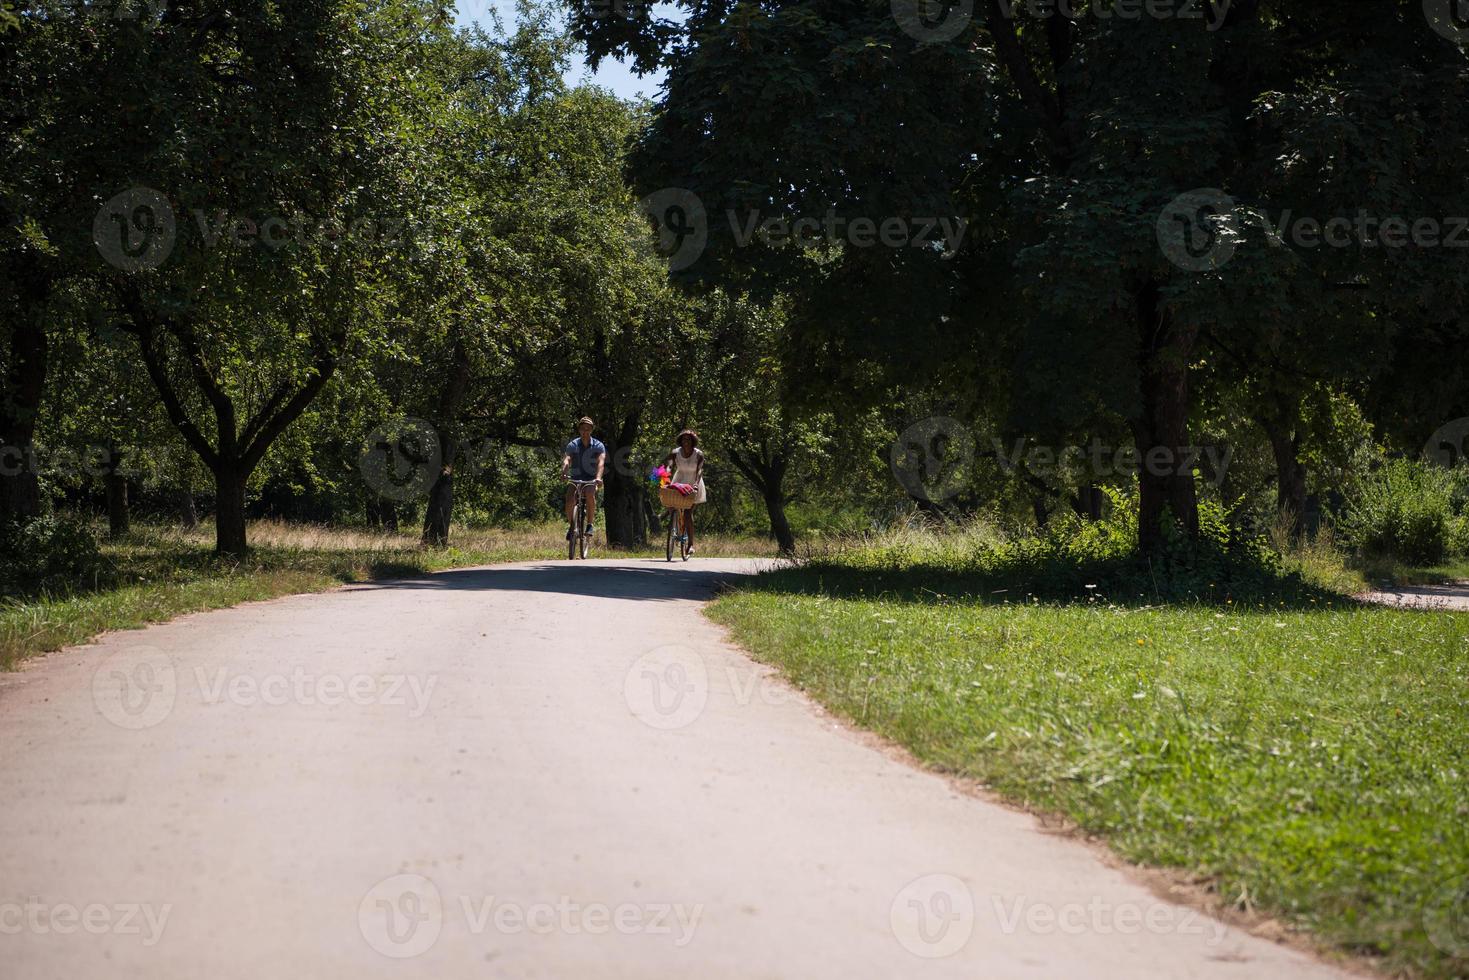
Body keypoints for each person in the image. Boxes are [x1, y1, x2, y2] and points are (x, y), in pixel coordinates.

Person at [561, 417, 605, 541]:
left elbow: (600, 463)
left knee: (590, 494)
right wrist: (564, 471)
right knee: (569, 500)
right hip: (576, 478)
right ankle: (572, 526)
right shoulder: (573, 444)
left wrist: (598, 478)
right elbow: (567, 459)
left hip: (591, 479)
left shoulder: (598, 445)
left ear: (591, 430)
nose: (585, 431)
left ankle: (590, 525)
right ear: (579, 430)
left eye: (588, 429)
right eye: (582, 429)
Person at [663, 429, 706, 555]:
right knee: (671, 504)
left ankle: (691, 544)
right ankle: (674, 526)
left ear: (693, 441)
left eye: (688, 439)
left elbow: (699, 471)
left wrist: (696, 485)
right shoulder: (675, 453)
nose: (685, 441)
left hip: (693, 482)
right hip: (679, 480)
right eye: (683, 439)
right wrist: (666, 475)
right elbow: (669, 465)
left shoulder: (699, 454)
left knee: (688, 513)